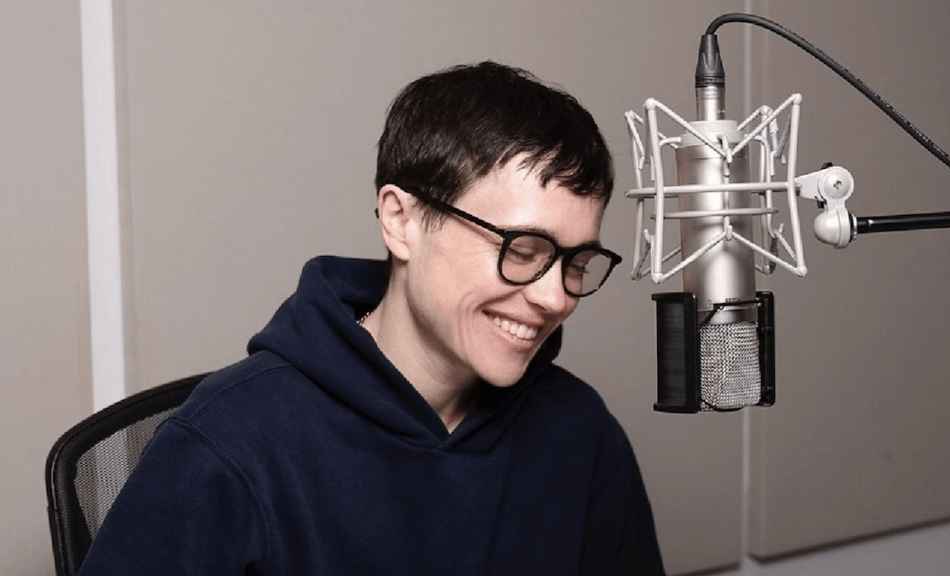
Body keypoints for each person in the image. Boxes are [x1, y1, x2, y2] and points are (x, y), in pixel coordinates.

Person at [77, 61, 665, 576]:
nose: (555, 298)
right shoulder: (226, 444)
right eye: (522, 251)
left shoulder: (582, 433)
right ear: (401, 221)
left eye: (576, 262)